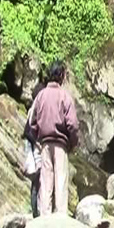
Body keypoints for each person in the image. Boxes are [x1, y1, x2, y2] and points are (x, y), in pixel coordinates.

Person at [30, 61, 79, 215]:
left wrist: (37, 138)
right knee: (61, 179)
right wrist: (73, 143)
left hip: (44, 144)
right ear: (62, 76)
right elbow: (73, 125)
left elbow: (32, 122)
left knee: (46, 181)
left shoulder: (40, 96)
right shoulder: (65, 96)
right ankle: (60, 215)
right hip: (60, 144)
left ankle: (44, 215)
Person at [22, 77, 46, 217]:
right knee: (38, 183)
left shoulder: (32, 109)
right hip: (36, 150)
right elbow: (29, 131)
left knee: (36, 184)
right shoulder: (35, 110)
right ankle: (37, 213)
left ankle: (36, 212)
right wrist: (38, 144)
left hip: (34, 148)